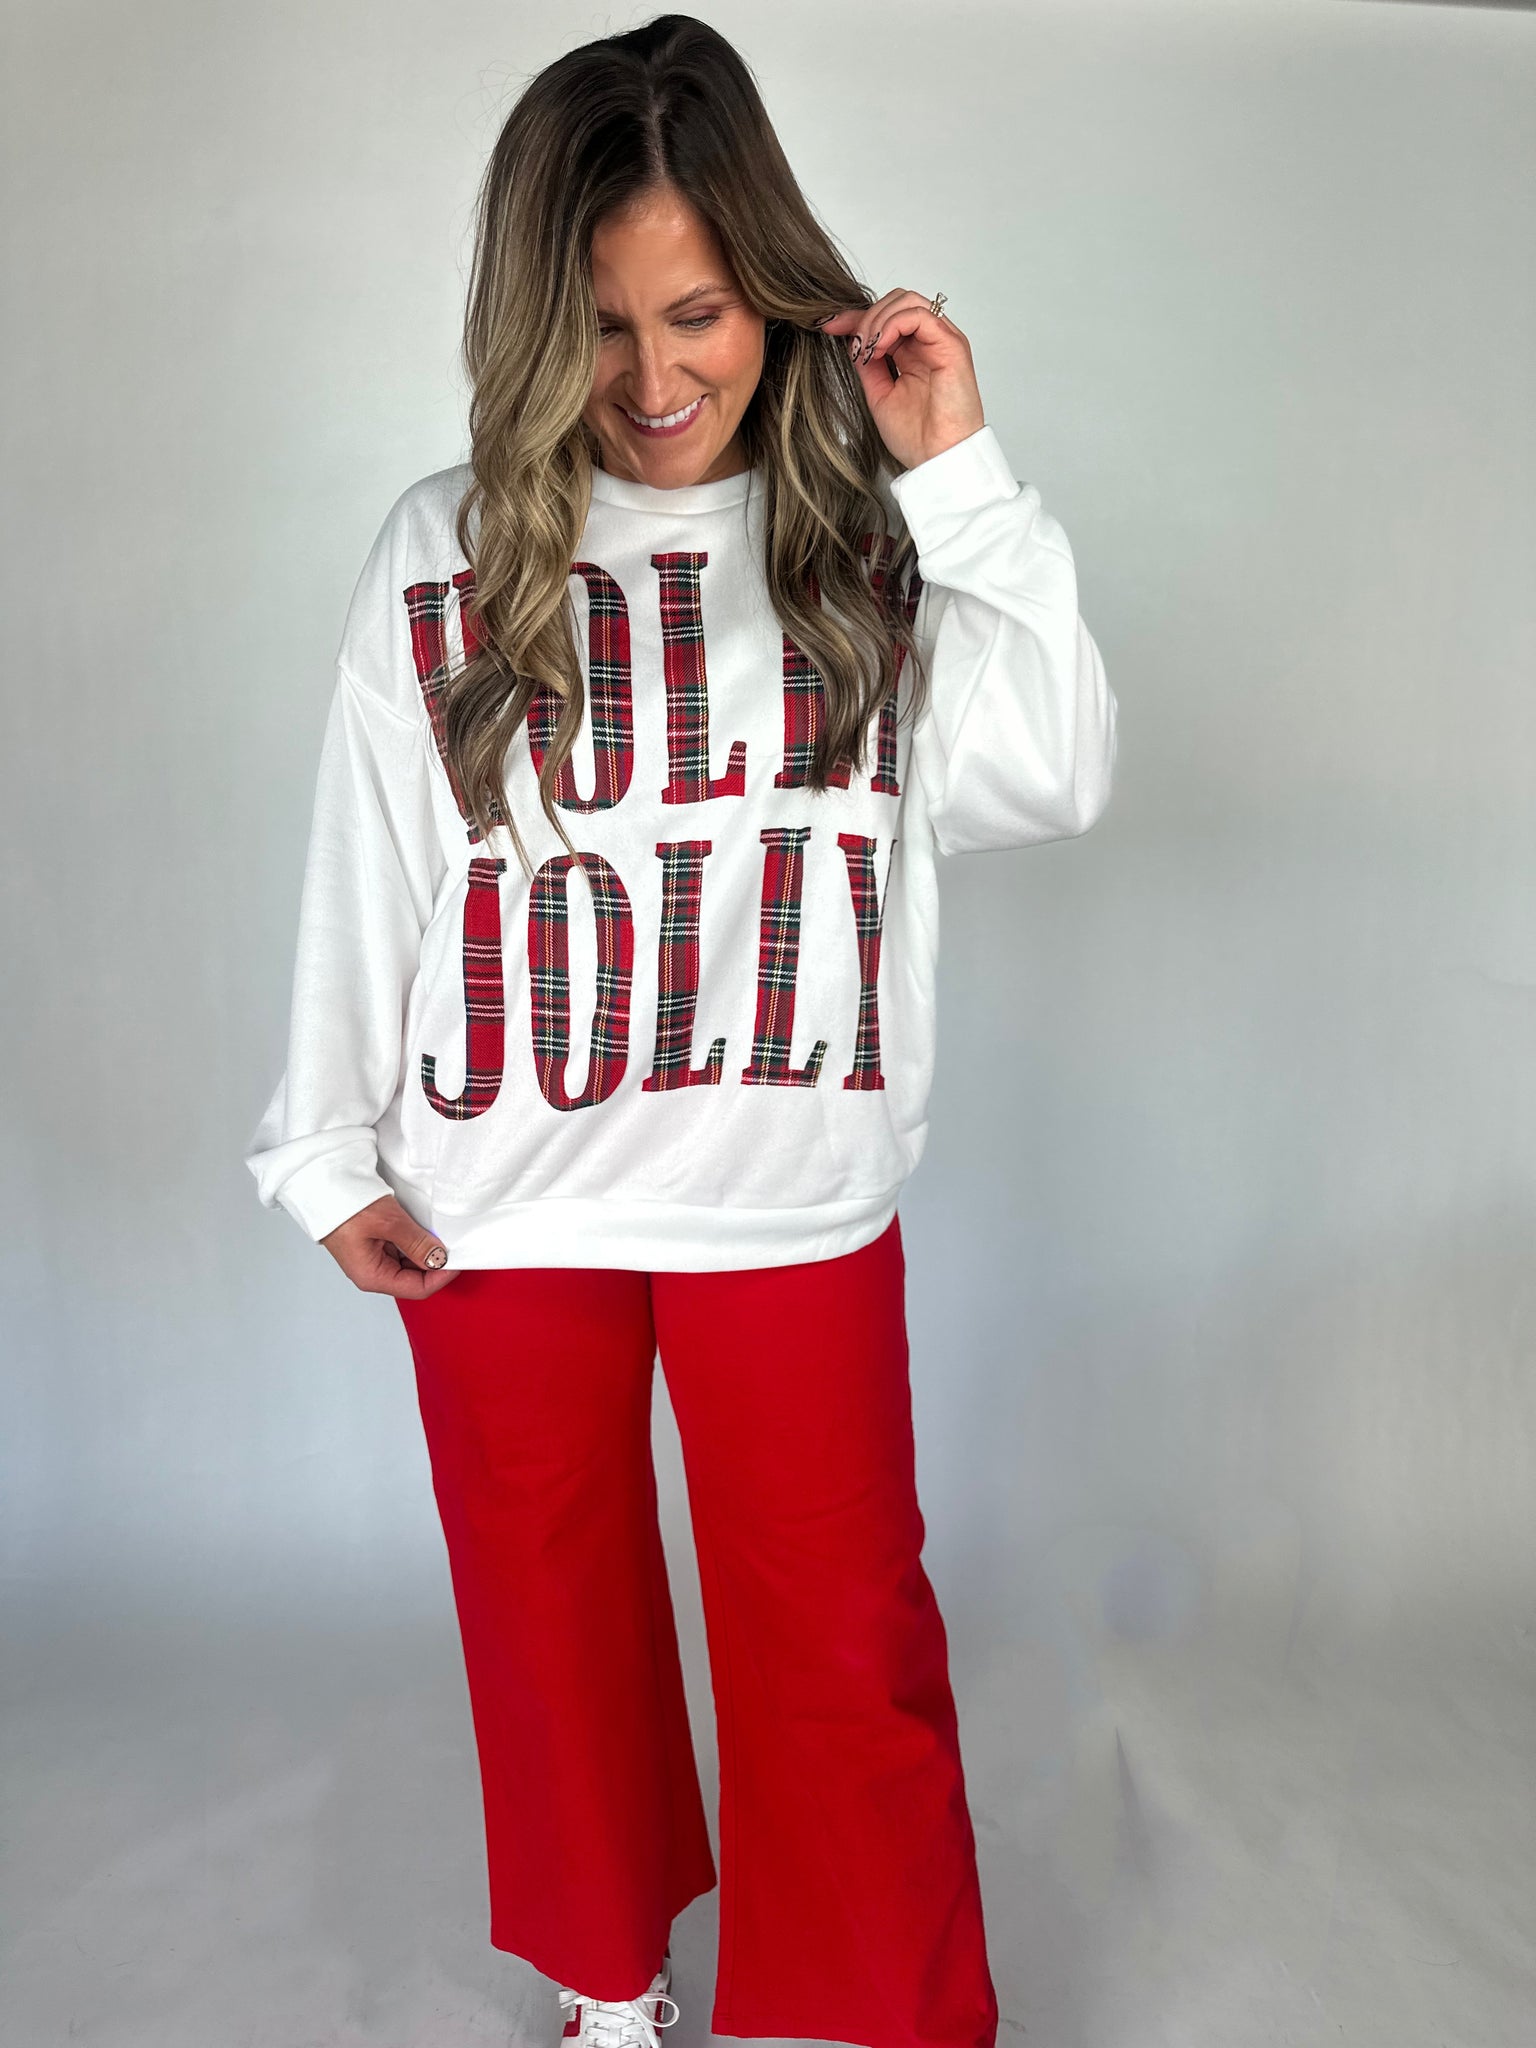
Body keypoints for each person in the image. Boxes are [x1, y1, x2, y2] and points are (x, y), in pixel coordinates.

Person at [244, 14, 1118, 2048]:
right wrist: (323, 1147)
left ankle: (872, 2014)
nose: (651, 377)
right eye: (604, 325)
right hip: (497, 1186)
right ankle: (606, 1989)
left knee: (840, 1636)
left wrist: (958, 466)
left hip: (786, 1180)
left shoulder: (872, 546)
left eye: (699, 313)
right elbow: (373, 853)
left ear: (775, 293)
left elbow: (1059, 771)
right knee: (548, 1618)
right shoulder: (448, 545)